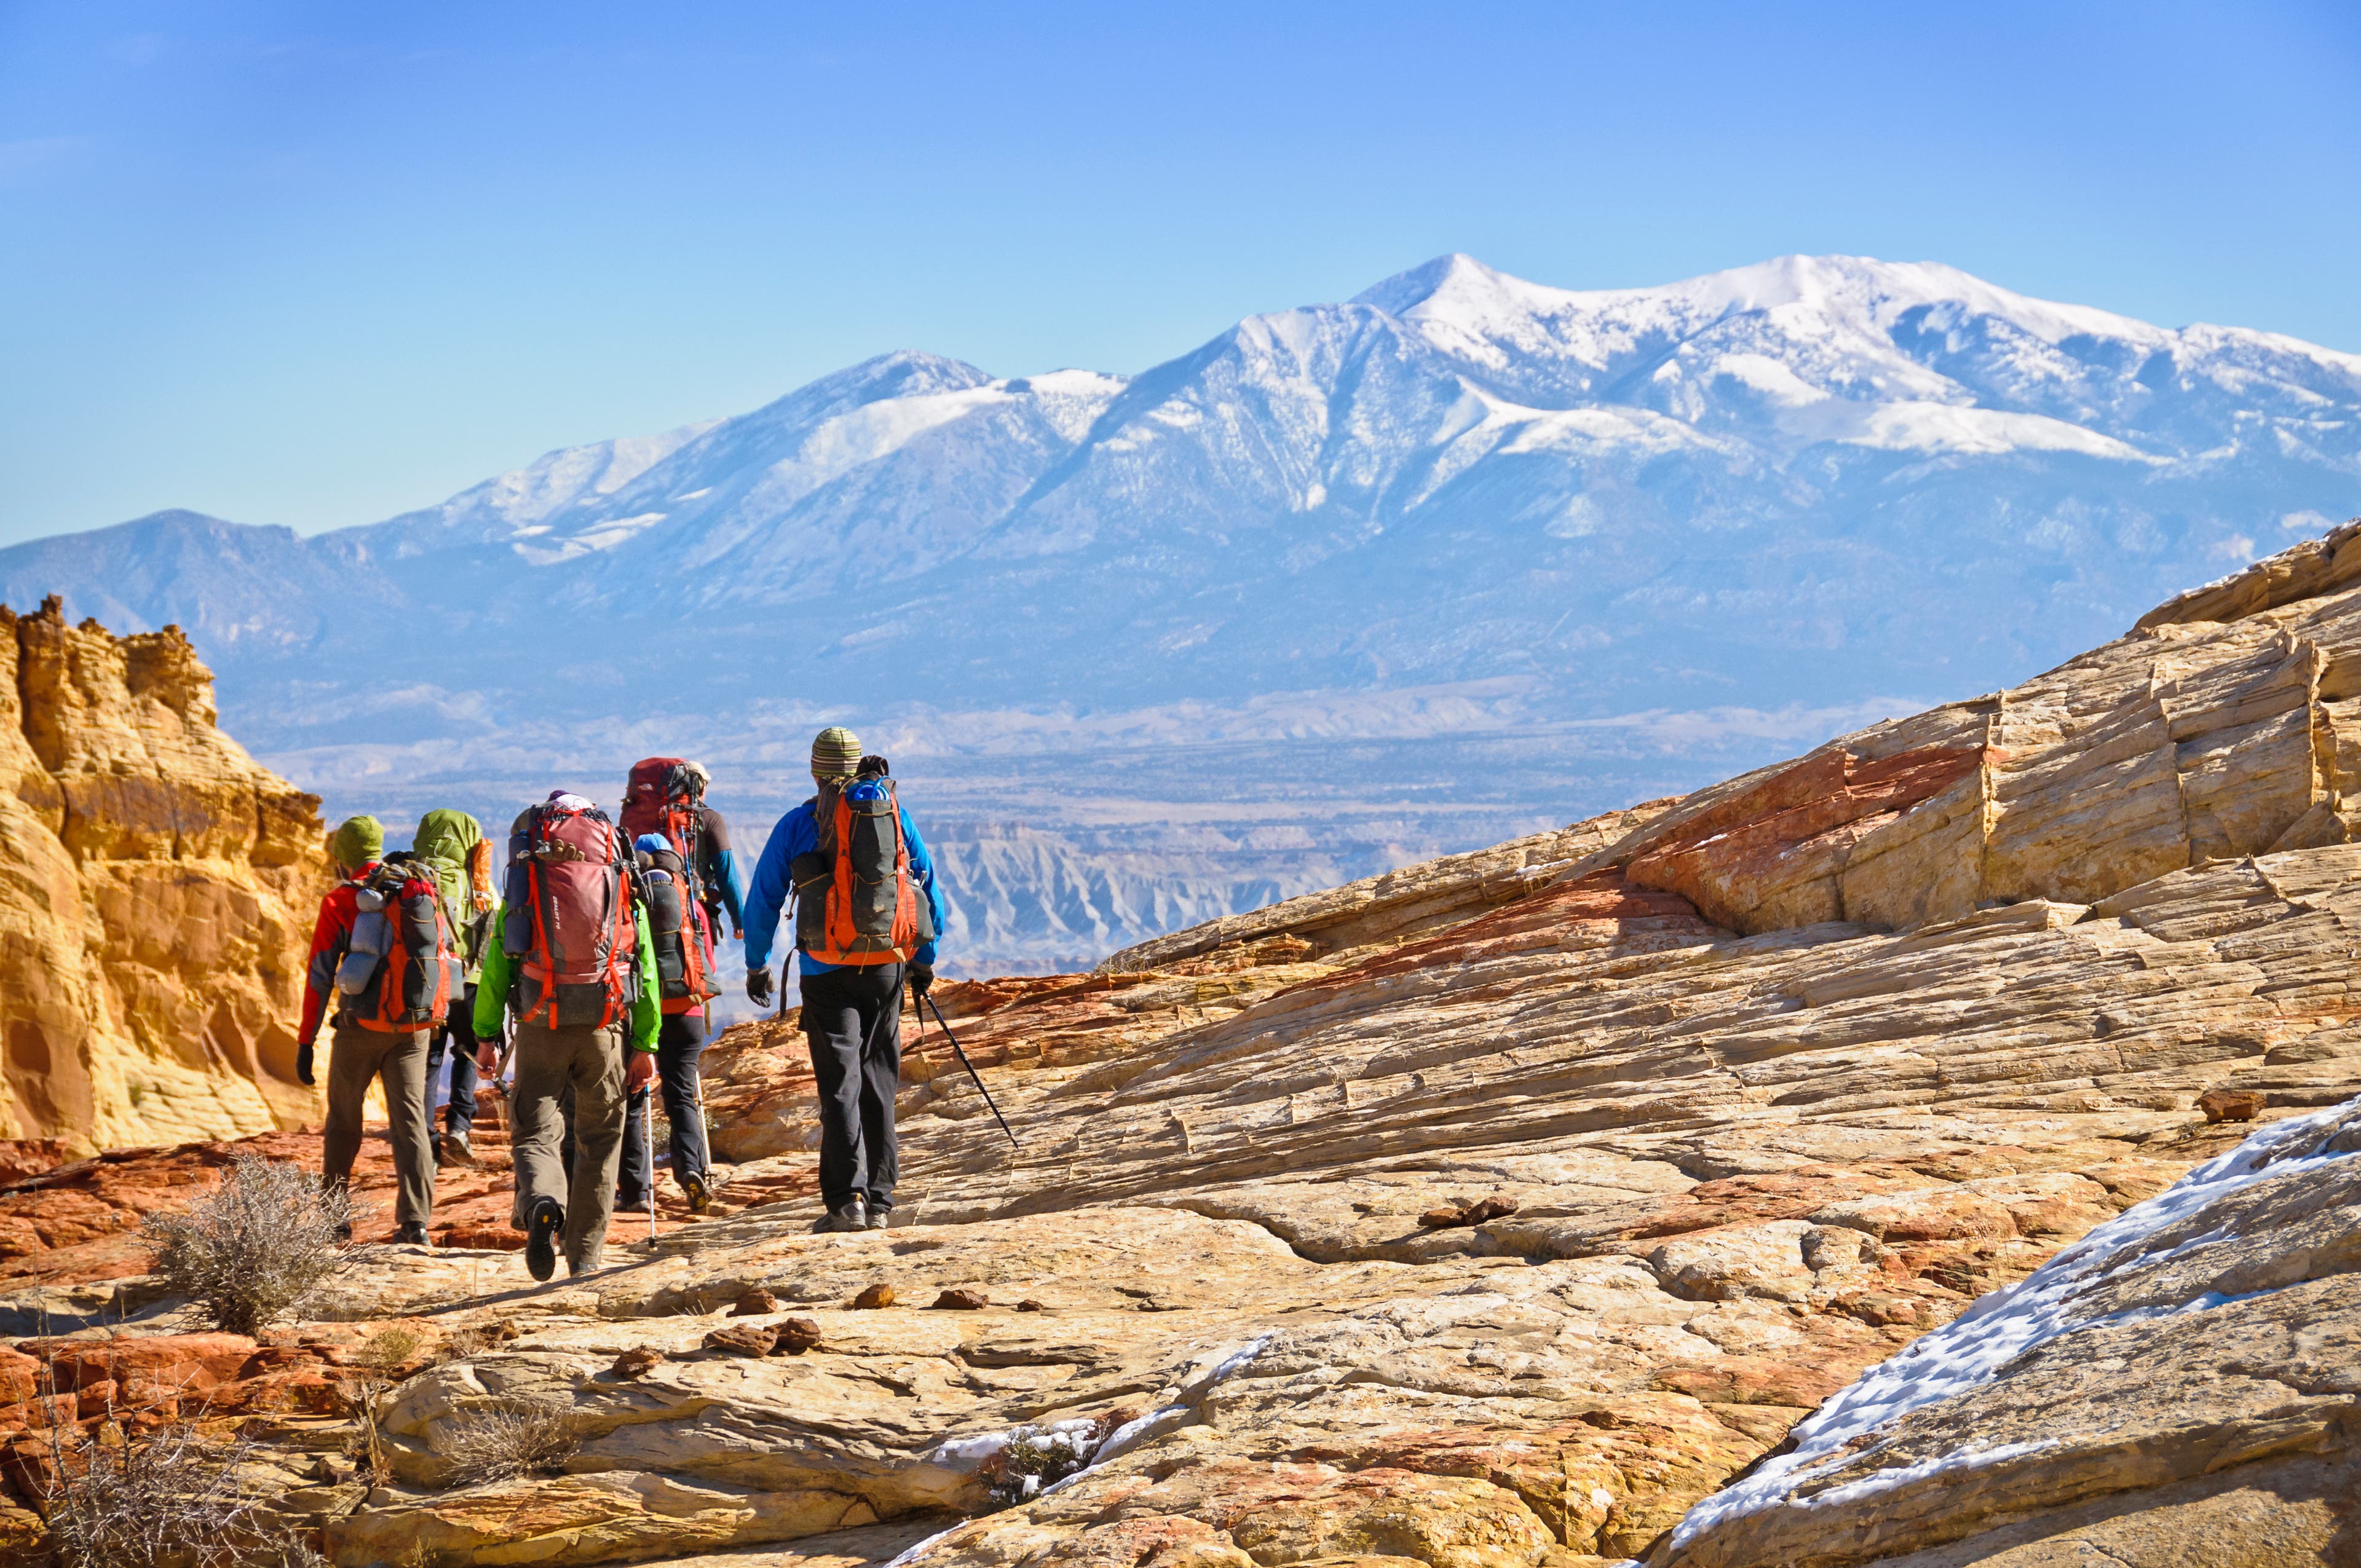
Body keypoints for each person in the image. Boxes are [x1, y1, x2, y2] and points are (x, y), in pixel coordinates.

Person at [742, 727, 948, 1234]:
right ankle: (880, 1199)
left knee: (840, 1083)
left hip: (825, 969)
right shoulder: (893, 814)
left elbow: (764, 898)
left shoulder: (799, 823)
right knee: (879, 1080)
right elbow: (925, 887)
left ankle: (845, 1201)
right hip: (885, 966)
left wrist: (757, 962)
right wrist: (924, 957)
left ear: (815, 770)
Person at [476, 791, 660, 1280]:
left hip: (541, 1017)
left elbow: (500, 960)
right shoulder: (617, 876)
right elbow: (644, 962)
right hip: (606, 1022)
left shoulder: (528, 878)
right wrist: (647, 1043)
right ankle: (585, 1255)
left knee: (535, 1126)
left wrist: (486, 1034)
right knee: (600, 1139)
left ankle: (543, 1201)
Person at [295, 814, 448, 1247]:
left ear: (343, 859)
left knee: (344, 1121)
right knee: (412, 1123)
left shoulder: (342, 901)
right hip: (414, 1027)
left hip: (359, 1028)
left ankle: (334, 1221)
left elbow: (320, 975)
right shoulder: (416, 888)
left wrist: (306, 1040)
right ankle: (416, 1223)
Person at [615, 761, 746, 1215]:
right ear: (699, 786)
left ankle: (634, 1190)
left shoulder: (625, 834)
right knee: (682, 1089)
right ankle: (692, 1168)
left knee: (633, 1087)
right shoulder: (706, 822)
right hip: (689, 983)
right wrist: (741, 921)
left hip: (634, 996)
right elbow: (727, 875)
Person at [411, 809, 496, 1168]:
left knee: (429, 1061)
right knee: (467, 1053)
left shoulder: (414, 879)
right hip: (470, 982)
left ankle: (425, 1137)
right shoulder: (478, 883)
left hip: (427, 982)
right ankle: (460, 1125)